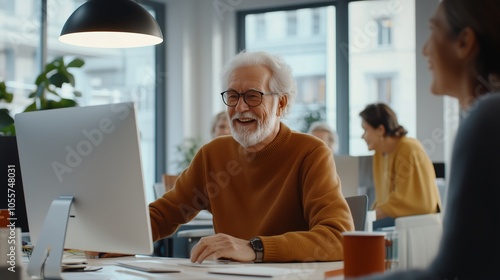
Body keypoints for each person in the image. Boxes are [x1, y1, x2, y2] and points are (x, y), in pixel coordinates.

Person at [150, 50, 354, 264]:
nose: (240, 107)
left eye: (253, 96)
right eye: (232, 96)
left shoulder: (310, 152)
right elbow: (163, 215)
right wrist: (116, 241)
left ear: (281, 104)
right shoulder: (212, 154)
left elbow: (338, 238)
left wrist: (254, 248)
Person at [357, 0, 500, 279]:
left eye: (433, 31)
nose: (424, 49)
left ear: (464, 42)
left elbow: (449, 269)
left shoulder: (487, 119)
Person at [359, 103, 441, 229]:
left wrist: (369, 216)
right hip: (398, 218)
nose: (362, 136)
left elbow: (408, 201)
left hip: (417, 219)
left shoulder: (409, 148)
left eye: (365, 130)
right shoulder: (380, 153)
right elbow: (384, 200)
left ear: (380, 129)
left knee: (361, 230)